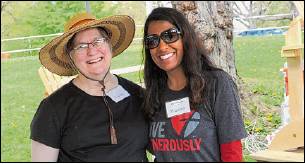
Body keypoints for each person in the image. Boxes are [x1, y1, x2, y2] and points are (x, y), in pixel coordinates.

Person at [30, 12, 149, 162]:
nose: (92, 51)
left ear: (109, 45)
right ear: (70, 57)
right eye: (81, 46)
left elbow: (168, 147)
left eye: (98, 41)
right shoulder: (53, 109)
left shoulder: (138, 95)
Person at [142, 7, 247, 162]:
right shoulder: (154, 92)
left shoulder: (217, 84)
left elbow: (232, 152)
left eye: (170, 36)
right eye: (153, 40)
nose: (162, 47)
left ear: (185, 38)